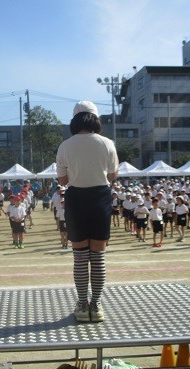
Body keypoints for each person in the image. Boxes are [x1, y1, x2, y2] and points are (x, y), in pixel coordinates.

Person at [56, 101, 118, 323]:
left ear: (75, 120)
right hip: (100, 197)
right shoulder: (107, 143)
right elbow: (112, 176)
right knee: (98, 256)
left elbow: (62, 180)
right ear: (95, 119)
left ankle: (82, 305)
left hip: (76, 198)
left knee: (80, 257)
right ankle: (97, 304)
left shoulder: (65, 146)